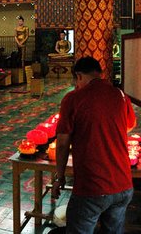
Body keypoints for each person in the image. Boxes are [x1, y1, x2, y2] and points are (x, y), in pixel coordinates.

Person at [53, 57, 136, 233]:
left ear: (79, 76)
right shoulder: (120, 95)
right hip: (124, 186)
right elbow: (129, 125)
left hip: (93, 187)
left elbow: (61, 144)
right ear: (99, 74)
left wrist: (59, 177)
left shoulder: (73, 98)